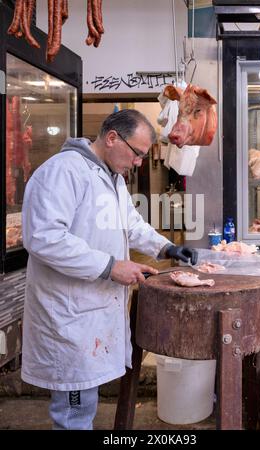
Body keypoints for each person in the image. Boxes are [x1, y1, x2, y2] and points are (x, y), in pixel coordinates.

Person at [21, 109, 197, 430]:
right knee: (73, 413)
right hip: (68, 317)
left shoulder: (112, 178)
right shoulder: (63, 172)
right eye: (138, 153)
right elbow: (44, 238)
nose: (140, 162)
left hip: (93, 313)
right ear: (113, 138)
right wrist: (110, 266)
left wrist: (166, 248)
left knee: (84, 405)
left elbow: (130, 223)